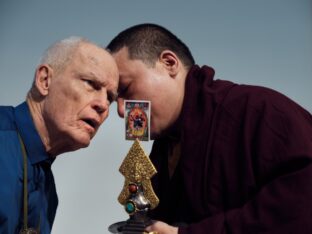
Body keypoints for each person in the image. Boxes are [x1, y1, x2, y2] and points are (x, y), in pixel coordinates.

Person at [107, 24, 312, 234]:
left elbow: (302, 204)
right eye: (115, 100)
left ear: (169, 63)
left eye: (126, 89)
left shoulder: (259, 109)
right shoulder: (166, 145)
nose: (122, 110)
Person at [0, 37, 118, 233]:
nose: (103, 105)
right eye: (90, 83)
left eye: (110, 98)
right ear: (45, 80)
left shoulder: (48, 192)